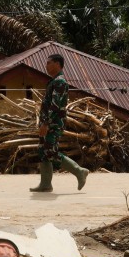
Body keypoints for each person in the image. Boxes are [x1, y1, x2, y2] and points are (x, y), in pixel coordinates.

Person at [30, 53, 89, 192]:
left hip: (53, 123)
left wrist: (46, 123)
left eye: (49, 63)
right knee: (44, 151)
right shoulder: (53, 81)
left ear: (57, 64)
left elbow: (55, 106)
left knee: (51, 151)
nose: (46, 66)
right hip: (47, 122)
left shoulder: (60, 82)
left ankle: (79, 171)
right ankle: (45, 184)